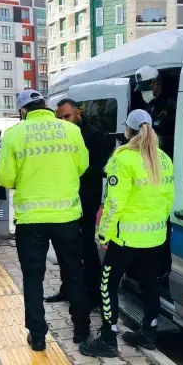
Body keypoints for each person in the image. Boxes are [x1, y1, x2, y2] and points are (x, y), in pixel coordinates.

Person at [0, 90, 91, 352]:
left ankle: (37, 335)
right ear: (45, 107)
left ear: (23, 111)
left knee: (33, 278)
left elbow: (5, 178)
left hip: (31, 221)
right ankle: (81, 330)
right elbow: (83, 166)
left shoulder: (15, 134)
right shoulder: (71, 131)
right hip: (67, 216)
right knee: (73, 271)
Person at [80, 109, 174, 358]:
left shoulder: (122, 158)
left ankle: (109, 338)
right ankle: (149, 333)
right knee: (149, 284)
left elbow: (113, 203)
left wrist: (103, 234)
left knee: (107, 284)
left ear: (128, 131)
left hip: (125, 239)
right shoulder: (163, 158)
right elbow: (167, 201)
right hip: (154, 238)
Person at [47, 99, 116, 309]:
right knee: (64, 245)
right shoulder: (60, 134)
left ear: (78, 112)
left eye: (67, 116)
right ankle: (66, 289)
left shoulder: (95, 134)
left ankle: (93, 295)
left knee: (86, 247)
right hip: (66, 197)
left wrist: (75, 171)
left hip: (87, 197)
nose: (63, 121)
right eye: (59, 118)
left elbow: (103, 167)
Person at [134, 65, 176, 288]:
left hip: (166, 175)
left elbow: (169, 140)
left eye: (147, 87)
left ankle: (162, 271)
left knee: (165, 229)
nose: (143, 92)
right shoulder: (148, 107)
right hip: (149, 175)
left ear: (157, 83)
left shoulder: (170, 106)